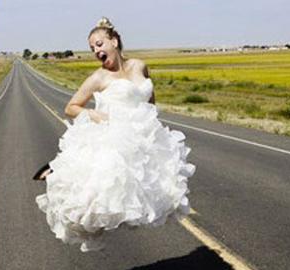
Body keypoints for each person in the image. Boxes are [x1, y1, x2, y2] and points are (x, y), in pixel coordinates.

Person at [35, 17, 196, 252]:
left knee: (153, 187)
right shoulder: (98, 78)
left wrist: (151, 122)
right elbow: (71, 107)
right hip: (114, 134)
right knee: (99, 194)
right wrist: (96, 115)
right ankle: (55, 173)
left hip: (143, 134)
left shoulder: (139, 66)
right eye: (92, 48)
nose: (96, 51)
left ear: (114, 40)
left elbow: (149, 99)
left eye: (99, 44)